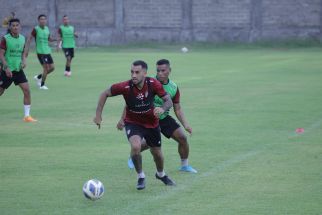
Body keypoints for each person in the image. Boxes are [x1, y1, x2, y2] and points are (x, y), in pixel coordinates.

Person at [93, 60, 175, 190]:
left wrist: (163, 109)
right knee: (136, 146)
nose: (133, 75)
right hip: (133, 122)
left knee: (157, 154)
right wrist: (98, 115)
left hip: (151, 123)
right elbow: (105, 93)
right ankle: (141, 176)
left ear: (145, 73)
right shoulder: (125, 86)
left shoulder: (154, 84)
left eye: (137, 72)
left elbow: (168, 101)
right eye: (132, 72)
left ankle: (160, 174)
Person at [118, 59, 197, 173]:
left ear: (169, 70)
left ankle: (184, 166)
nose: (160, 73)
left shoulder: (173, 87)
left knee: (182, 138)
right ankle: (134, 155)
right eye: (158, 70)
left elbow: (177, 108)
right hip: (146, 119)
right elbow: (130, 103)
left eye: (163, 70)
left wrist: (186, 125)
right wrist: (122, 119)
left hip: (163, 118)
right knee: (147, 144)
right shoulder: (147, 83)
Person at [0, 18, 37, 122]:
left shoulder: (22, 38)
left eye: (17, 25)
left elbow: (22, 53)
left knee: (27, 90)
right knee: (0, 91)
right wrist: (6, 68)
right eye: (13, 25)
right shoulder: (5, 39)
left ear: (20, 27)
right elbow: (1, 54)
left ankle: (27, 116)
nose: (15, 27)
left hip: (18, 70)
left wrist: (24, 60)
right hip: (7, 70)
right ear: (10, 27)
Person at [26, 14, 55, 90]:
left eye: (44, 19)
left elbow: (49, 39)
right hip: (40, 52)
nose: (43, 20)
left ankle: (38, 77)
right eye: (41, 19)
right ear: (38, 21)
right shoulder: (36, 29)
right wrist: (27, 49)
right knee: (45, 68)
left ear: (46, 20)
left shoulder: (47, 29)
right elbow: (29, 39)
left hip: (47, 51)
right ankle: (42, 85)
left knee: (52, 68)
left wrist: (56, 39)